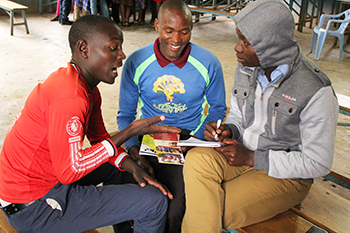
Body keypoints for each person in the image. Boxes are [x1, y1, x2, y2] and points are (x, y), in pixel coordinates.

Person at [0, 15, 181, 233]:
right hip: (32, 207)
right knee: (154, 201)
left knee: (118, 170)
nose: (122, 55)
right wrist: (131, 130)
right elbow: (70, 170)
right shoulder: (71, 98)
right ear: (83, 49)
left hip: (41, 183)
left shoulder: (85, 88)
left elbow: (99, 139)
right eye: (113, 48)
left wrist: (130, 163)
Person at [181, 0, 339, 232]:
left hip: (285, 175)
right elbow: (237, 113)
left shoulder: (316, 90)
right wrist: (230, 129)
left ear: (272, 47)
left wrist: (253, 158)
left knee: (208, 211)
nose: (237, 48)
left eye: (246, 42)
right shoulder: (246, 67)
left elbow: (318, 163)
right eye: (239, 38)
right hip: (242, 154)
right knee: (197, 160)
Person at [116, 0, 226, 232]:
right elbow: (126, 115)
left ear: (191, 28)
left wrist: (193, 141)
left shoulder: (208, 63)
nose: (176, 40)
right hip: (147, 138)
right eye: (169, 30)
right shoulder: (137, 62)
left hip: (188, 140)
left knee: (175, 208)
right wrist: (134, 151)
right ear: (156, 25)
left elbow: (217, 109)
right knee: (126, 202)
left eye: (184, 31)